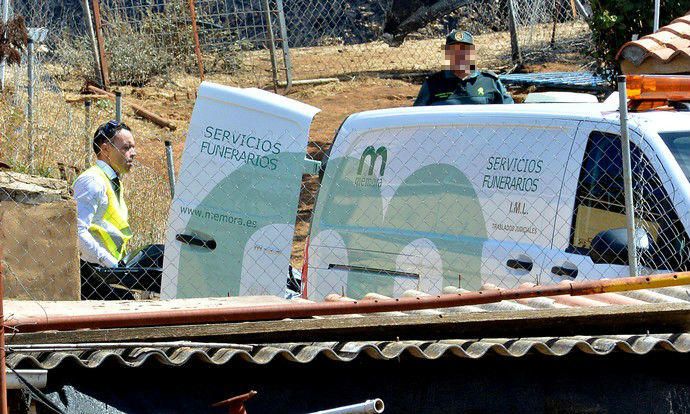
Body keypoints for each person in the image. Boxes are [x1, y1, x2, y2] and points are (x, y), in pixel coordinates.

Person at [73, 120, 136, 299]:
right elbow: (77, 231)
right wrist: (111, 264)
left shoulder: (112, 181)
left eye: (133, 147)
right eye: (126, 147)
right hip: (91, 272)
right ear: (106, 149)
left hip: (105, 271)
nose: (133, 153)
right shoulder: (93, 182)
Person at [413, 30, 513, 106]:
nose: (459, 55)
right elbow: (416, 118)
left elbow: (509, 113)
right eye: (454, 51)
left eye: (464, 50)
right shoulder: (432, 84)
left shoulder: (490, 82)